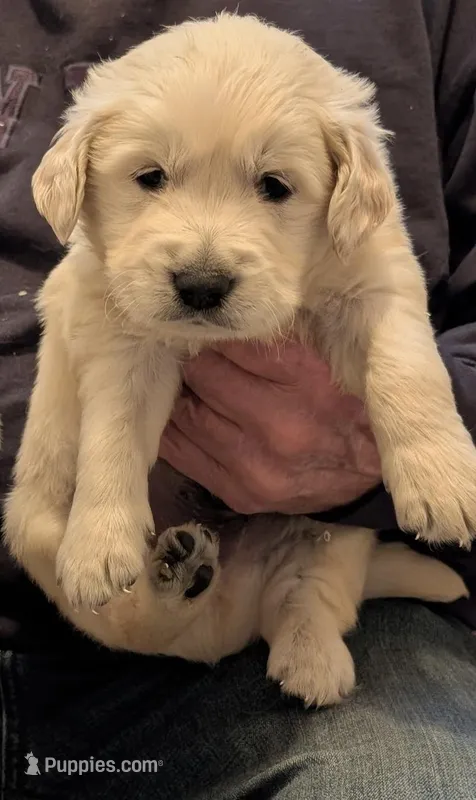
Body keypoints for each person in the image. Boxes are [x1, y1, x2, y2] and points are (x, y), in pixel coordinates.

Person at [1, 0, 476, 797]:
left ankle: (303, 614)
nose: (204, 258)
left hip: (302, 607)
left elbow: (382, 299)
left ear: (343, 189)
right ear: (79, 175)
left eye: (273, 185)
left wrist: (418, 434)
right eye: (149, 179)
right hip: (53, 600)